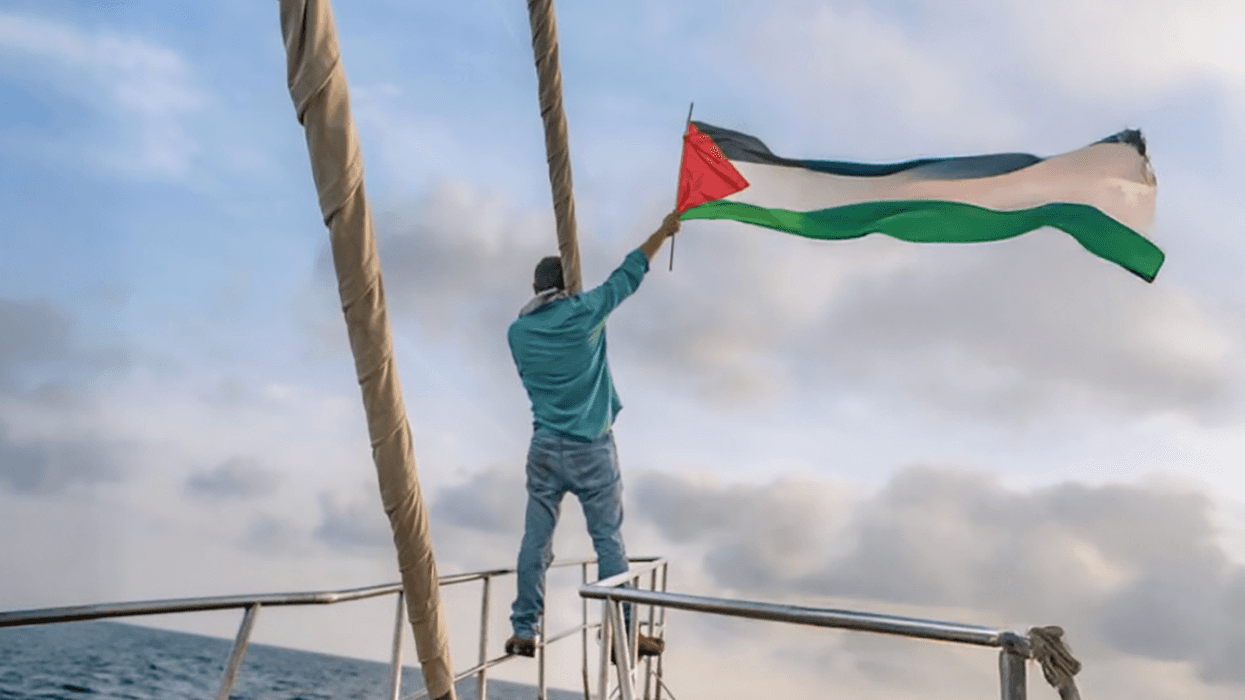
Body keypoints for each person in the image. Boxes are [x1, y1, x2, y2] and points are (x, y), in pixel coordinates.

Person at [504, 211, 681, 660]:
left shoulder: (518, 333)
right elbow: (630, 271)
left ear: (535, 288)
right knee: (608, 541)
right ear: (568, 285)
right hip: (592, 448)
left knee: (535, 541)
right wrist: (662, 231)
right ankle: (623, 636)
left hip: (545, 446)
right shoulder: (586, 311)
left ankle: (524, 630)